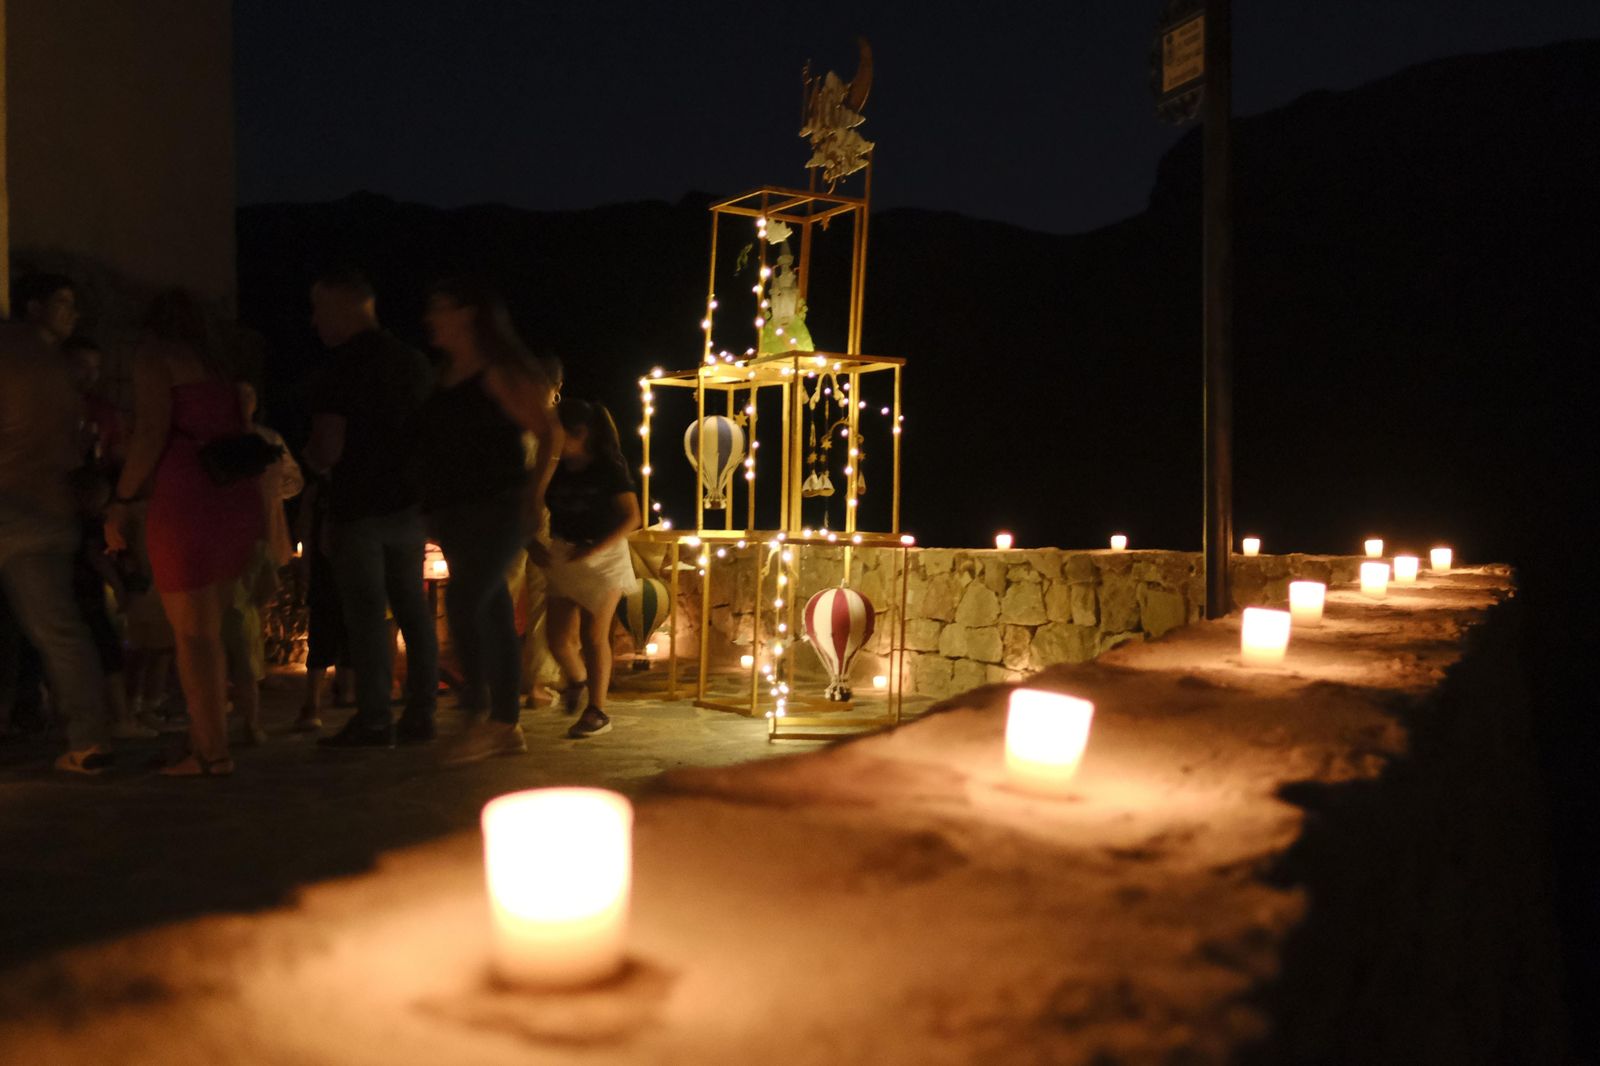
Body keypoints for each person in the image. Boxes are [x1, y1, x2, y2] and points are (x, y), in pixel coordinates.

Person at [106, 290, 263, 777]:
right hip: (234, 498)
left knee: (192, 637)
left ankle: (211, 752)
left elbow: (153, 431)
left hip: (187, 498)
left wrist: (123, 499)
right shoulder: (219, 367)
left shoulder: (155, 357)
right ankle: (210, 742)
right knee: (209, 631)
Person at [411, 279, 560, 764]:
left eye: (441, 306)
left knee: (466, 598)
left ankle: (475, 715)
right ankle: (504, 725)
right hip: (455, 511)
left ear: (468, 314)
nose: (430, 317)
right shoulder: (446, 374)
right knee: (493, 609)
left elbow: (548, 432)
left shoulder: (498, 372)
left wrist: (534, 497)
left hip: (498, 507)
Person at [305, 269, 438, 747]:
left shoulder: (339, 369)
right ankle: (422, 713)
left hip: (359, 508)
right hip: (408, 506)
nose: (314, 321)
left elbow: (328, 448)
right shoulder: (413, 363)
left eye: (318, 309)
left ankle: (375, 717)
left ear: (342, 309)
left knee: (366, 616)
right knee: (413, 611)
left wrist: (310, 461)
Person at [0, 320, 112, 771]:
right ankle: (89, 740)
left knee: (51, 629)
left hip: (14, 500)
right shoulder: (46, 361)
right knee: (59, 628)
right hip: (50, 504)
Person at [543, 399, 640, 739]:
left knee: (593, 636)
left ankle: (597, 710)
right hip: (565, 551)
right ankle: (578, 679)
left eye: (558, 433)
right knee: (555, 639)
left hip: (604, 557)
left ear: (580, 433)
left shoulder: (608, 468)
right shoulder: (555, 467)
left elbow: (633, 517)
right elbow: (534, 503)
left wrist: (594, 549)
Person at [68, 467, 156, 740]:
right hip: (90, 601)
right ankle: (121, 717)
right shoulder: (90, 526)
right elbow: (97, 556)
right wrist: (118, 587)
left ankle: (92, 714)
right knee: (109, 657)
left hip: (74, 598)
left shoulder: (65, 525)